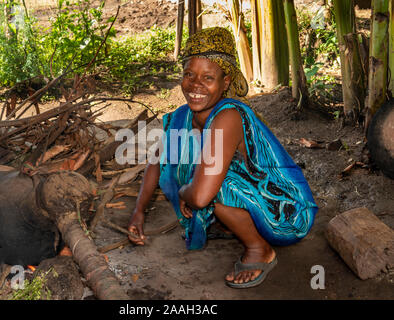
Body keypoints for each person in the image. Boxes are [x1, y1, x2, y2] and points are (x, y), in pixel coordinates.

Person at [127, 27, 318, 288]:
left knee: (211, 182)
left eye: (208, 78)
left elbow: (202, 195)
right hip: (253, 199)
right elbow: (158, 160)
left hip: (286, 211)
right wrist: (138, 212)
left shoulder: (228, 116)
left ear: (225, 82)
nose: (195, 85)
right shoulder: (184, 116)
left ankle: (259, 249)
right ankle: (228, 223)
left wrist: (187, 192)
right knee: (181, 158)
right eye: (188, 75)